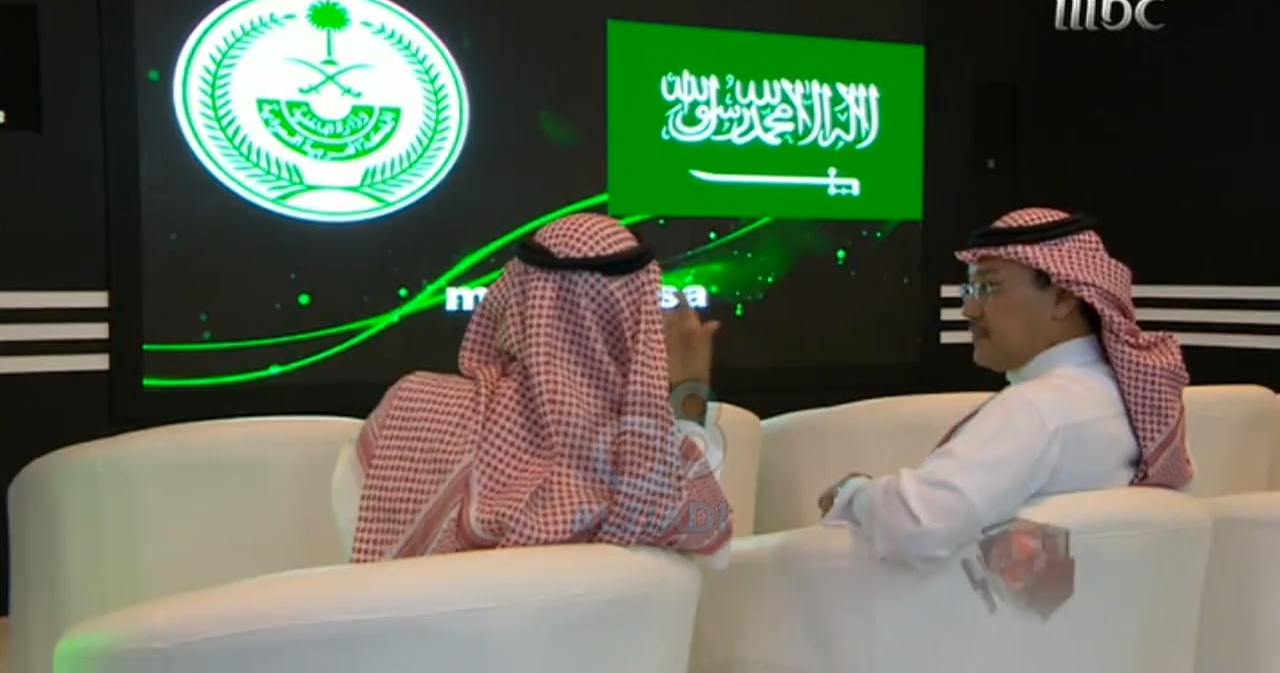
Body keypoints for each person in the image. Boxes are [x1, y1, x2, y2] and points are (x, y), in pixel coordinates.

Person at [331, 212, 732, 565]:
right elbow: (714, 548)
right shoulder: (651, 459)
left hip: (426, 629)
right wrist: (688, 395)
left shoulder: (411, 409)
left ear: (514, 295)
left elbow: (363, 538)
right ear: (639, 311)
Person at [818, 207, 1193, 568]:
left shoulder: (1038, 409)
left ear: (1062, 298)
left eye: (989, 288)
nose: (969, 310)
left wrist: (855, 493)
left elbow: (918, 527)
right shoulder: (1113, 396)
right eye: (971, 288)